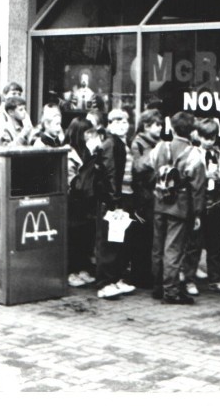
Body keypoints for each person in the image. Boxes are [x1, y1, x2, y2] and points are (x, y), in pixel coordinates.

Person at [147, 111, 206, 305]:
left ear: (172, 127)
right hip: (180, 206)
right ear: (192, 131)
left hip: (159, 200)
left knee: (157, 246)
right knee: (173, 249)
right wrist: (197, 213)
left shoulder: (161, 147)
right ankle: (171, 290)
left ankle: (157, 286)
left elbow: (149, 166)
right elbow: (198, 186)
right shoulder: (193, 153)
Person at [93, 108, 137, 300]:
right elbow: (110, 173)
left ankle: (116, 278)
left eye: (125, 121)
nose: (122, 124)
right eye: (117, 121)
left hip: (124, 197)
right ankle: (105, 283)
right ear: (109, 124)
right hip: (116, 200)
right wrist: (114, 201)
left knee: (120, 240)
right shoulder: (112, 144)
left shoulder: (120, 143)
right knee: (111, 242)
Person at [182, 118, 220, 295]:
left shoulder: (218, 154)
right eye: (206, 137)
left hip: (215, 202)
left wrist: (219, 177)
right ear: (199, 136)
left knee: (215, 243)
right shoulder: (194, 153)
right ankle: (189, 279)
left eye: (212, 137)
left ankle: (215, 278)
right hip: (199, 202)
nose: (209, 141)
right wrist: (205, 175)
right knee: (194, 243)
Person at [128, 109, 163, 290]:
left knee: (151, 235)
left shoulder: (157, 143)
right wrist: (155, 156)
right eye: (156, 125)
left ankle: (149, 272)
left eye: (160, 125)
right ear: (146, 126)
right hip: (143, 194)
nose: (159, 128)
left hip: (154, 193)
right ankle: (139, 274)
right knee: (142, 234)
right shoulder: (139, 143)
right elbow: (138, 166)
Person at [65, 117, 99, 288]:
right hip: (74, 200)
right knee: (74, 236)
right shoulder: (69, 152)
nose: (90, 136)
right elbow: (74, 181)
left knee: (86, 234)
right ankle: (71, 270)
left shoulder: (89, 151)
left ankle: (82, 268)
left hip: (87, 199)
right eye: (86, 132)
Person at [0, 82, 34, 146]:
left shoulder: (24, 114)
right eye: (13, 93)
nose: (17, 96)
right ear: (5, 95)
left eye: (19, 94)